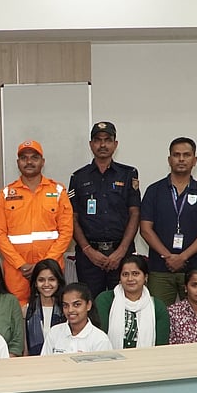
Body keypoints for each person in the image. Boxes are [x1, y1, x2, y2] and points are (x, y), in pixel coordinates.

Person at [139, 137, 197, 307]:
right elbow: (145, 229)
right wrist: (168, 257)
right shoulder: (154, 191)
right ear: (169, 160)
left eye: (186, 155)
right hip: (160, 268)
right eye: (176, 155)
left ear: (194, 160)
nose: (181, 159)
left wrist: (183, 257)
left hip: (195, 268)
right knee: (158, 316)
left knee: (195, 317)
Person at [0, 140, 74, 306]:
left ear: (42, 162)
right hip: (17, 271)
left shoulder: (58, 191)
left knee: (53, 313)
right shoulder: (6, 194)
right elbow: (0, 234)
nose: (29, 162)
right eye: (24, 158)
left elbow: (66, 232)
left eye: (34, 157)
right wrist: (20, 264)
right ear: (18, 163)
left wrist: (44, 266)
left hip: (50, 271)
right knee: (18, 315)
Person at [69, 121, 141, 299]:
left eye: (107, 140)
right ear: (91, 144)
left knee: (125, 303)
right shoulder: (78, 177)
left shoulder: (128, 174)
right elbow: (72, 217)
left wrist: (121, 251)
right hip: (89, 256)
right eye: (97, 140)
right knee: (90, 306)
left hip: (121, 254)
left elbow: (135, 213)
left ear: (115, 144)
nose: (102, 145)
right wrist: (87, 250)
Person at [94, 254, 170, 348]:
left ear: (145, 277)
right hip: (110, 360)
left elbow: (161, 346)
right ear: (120, 278)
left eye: (135, 274)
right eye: (125, 274)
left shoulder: (157, 307)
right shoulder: (105, 300)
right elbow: (98, 338)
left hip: (148, 360)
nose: (130, 279)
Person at [41, 283, 111, 354]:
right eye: (65, 305)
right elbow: (44, 362)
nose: (70, 310)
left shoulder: (100, 339)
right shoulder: (54, 332)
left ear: (88, 305)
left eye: (76, 305)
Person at [24, 258, 66, 356]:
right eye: (41, 280)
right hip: (35, 364)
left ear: (58, 282)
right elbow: (25, 350)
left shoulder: (67, 310)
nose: (46, 284)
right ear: (35, 283)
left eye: (51, 279)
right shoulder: (26, 311)